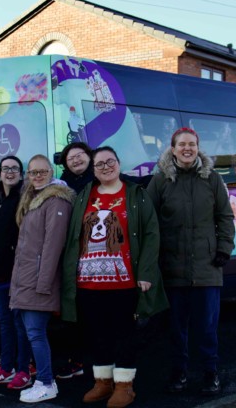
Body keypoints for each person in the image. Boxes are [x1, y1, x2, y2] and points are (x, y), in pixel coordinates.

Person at [62, 146, 168, 408]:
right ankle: (103, 382)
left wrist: (146, 273)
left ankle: (124, 385)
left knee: (125, 334)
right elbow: (74, 235)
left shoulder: (136, 194)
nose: (105, 167)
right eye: (99, 164)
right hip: (88, 282)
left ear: (119, 164)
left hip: (125, 281)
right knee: (97, 333)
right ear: (93, 169)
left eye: (110, 161)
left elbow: (152, 234)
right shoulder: (85, 195)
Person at [146, 127, 235, 396]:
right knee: (176, 328)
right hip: (172, 267)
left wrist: (224, 248)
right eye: (182, 144)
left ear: (198, 148)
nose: (187, 149)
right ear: (173, 149)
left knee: (207, 328)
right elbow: (148, 221)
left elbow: (225, 216)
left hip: (207, 267)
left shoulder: (212, 179)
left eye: (192, 144)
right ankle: (179, 372)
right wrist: (152, 258)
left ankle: (210, 373)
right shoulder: (160, 180)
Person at [10, 155, 74, 403]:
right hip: (25, 278)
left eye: (42, 171)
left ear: (51, 172)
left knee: (36, 333)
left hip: (38, 280)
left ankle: (46, 383)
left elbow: (53, 246)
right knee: (31, 332)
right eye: (32, 172)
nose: (37, 176)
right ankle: (43, 381)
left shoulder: (56, 200)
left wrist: (44, 283)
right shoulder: (33, 199)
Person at [0, 156, 33, 390]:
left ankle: (23, 369)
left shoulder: (26, 196)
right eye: (5, 168)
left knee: (20, 323)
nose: (10, 172)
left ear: (21, 173)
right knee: (4, 322)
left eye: (14, 168)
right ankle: (7, 367)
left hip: (19, 272)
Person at [54, 141, 94, 380]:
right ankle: (77, 359)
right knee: (73, 310)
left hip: (96, 252)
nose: (76, 160)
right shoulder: (60, 186)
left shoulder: (100, 180)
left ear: (89, 156)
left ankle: (94, 360)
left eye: (80, 155)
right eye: (71, 158)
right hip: (70, 254)